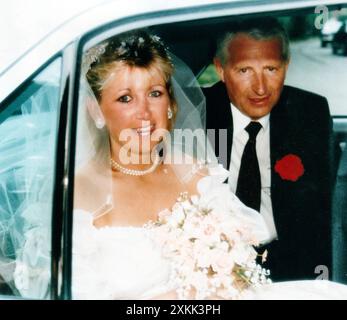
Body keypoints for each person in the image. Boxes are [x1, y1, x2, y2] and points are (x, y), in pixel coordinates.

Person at [9, 30, 347, 300]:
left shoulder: (196, 173)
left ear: (171, 104)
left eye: (155, 93)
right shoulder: (76, 194)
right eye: (125, 98)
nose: (144, 113)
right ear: (96, 111)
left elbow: (243, 265)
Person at [204, 18, 338, 281]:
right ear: (220, 69)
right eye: (244, 71)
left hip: (289, 264)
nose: (260, 87)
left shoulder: (309, 113)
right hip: (214, 265)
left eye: (271, 69)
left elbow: (319, 215)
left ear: (286, 66)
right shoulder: (199, 116)